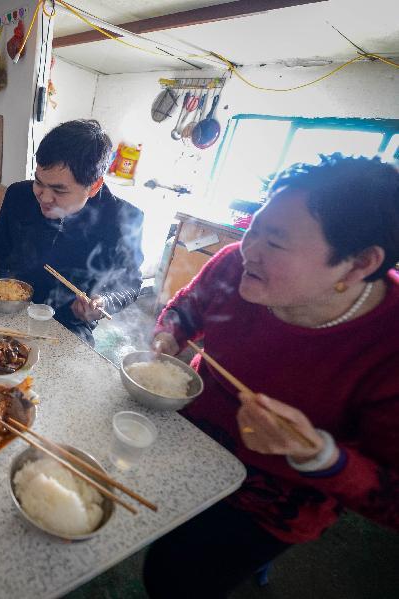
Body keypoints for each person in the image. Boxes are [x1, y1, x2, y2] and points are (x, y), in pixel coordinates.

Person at [144, 154, 399, 598]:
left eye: (275, 243)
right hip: (187, 440)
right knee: (149, 523)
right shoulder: (233, 263)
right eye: (253, 228)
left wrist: (317, 453)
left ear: (358, 264)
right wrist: (169, 335)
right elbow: (189, 306)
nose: (248, 251)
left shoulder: (388, 344)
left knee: (174, 580)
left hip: (266, 502)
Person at [0, 119, 144, 345]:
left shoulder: (122, 218)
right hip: (13, 308)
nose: (44, 197)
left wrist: (103, 303)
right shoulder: (18, 195)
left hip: (70, 324)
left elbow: (131, 283)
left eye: (59, 190)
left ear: (94, 186)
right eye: (39, 182)